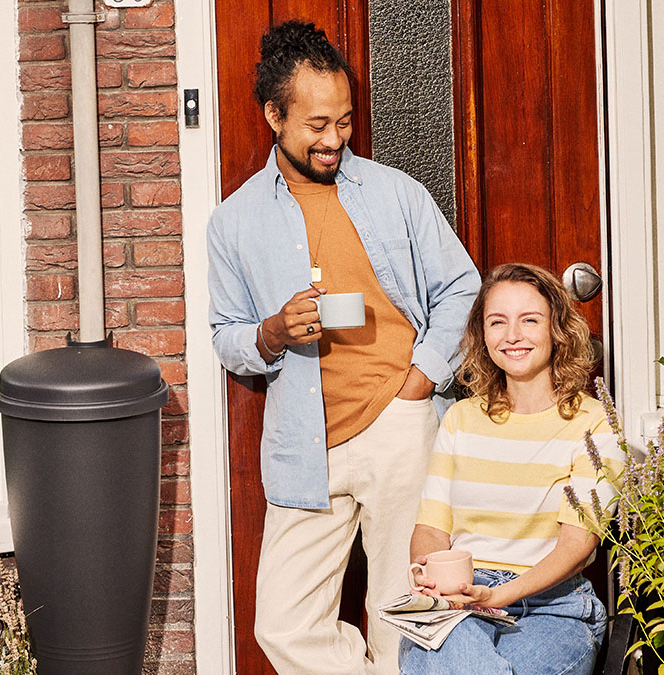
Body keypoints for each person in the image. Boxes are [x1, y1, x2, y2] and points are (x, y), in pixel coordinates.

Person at [206, 20, 481, 675]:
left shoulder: (396, 195)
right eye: (317, 124)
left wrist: (422, 379)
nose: (334, 139)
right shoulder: (235, 221)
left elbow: (462, 285)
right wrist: (270, 332)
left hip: (399, 424)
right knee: (282, 623)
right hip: (306, 443)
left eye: (346, 122)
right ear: (274, 115)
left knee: (411, 615)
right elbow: (225, 335)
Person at [401, 263, 624, 675]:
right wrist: (433, 580)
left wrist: (500, 595)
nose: (512, 336)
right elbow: (431, 530)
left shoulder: (593, 422)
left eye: (529, 320)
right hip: (460, 605)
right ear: (482, 335)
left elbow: (577, 549)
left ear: (557, 330)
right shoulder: (461, 419)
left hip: (552, 608)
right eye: (497, 322)